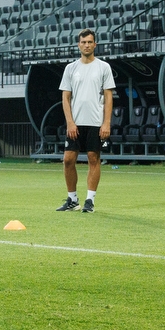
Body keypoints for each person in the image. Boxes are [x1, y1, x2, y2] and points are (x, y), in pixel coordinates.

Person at [57, 29, 114, 213]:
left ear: (95, 44)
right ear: (78, 45)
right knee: (68, 159)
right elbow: (65, 97)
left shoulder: (103, 67)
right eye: (83, 42)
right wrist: (70, 122)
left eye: (90, 42)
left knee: (93, 158)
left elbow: (108, 96)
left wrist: (106, 123)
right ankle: (72, 200)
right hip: (75, 122)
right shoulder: (70, 68)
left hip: (96, 122)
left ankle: (90, 201)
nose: (87, 45)